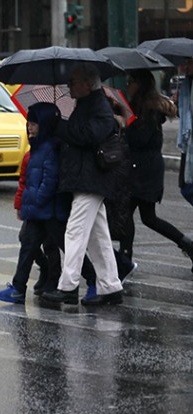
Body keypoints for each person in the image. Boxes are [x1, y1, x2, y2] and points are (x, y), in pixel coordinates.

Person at [41, 63, 124, 307]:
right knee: (98, 237)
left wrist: (61, 125)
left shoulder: (99, 107)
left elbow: (88, 135)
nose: (70, 86)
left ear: (89, 84)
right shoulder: (87, 105)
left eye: (74, 82)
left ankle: (68, 287)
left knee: (75, 232)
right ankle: (111, 287)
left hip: (92, 179)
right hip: (85, 178)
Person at [0, 102, 67, 303]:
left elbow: (49, 181)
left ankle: (93, 278)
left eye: (34, 123)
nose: (30, 127)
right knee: (27, 245)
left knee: (64, 247)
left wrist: (34, 200)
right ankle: (18, 288)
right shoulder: (36, 148)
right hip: (37, 210)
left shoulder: (50, 148)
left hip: (48, 210)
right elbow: (26, 180)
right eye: (28, 123)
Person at [122, 69, 193, 269]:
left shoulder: (148, 109)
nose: (128, 85)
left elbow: (140, 139)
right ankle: (187, 244)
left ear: (140, 84)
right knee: (147, 217)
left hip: (143, 171)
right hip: (144, 169)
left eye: (131, 81)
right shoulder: (141, 105)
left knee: (131, 214)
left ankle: (125, 260)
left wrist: (125, 123)